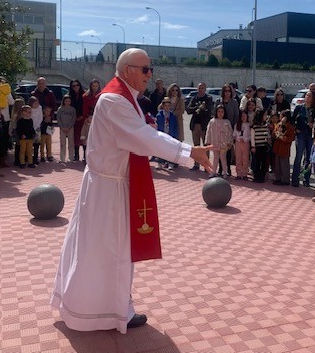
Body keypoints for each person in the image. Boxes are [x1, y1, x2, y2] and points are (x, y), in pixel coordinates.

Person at [50, 48, 213, 332]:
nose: (151, 75)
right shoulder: (115, 99)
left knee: (107, 250)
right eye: (145, 69)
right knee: (109, 251)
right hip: (108, 188)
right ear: (127, 70)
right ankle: (102, 311)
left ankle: (114, 308)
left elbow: (142, 135)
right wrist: (188, 152)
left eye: (151, 69)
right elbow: (143, 138)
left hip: (112, 184)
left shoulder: (127, 98)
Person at [291, 90, 315, 187]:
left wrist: (313, 126)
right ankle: (295, 179)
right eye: (307, 96)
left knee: (308, 158)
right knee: (298, 156)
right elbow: (292, 120)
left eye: (310, 96)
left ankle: (306, 179)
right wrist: (295, 129)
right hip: (300, 133)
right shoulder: (299, 108)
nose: (308, 98)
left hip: (310, 134)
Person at [186, 82, 213, 171]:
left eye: (202, 88)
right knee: (196, 146)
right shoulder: (194, 98)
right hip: (195, 125)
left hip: (204, 126)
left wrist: (199, 110)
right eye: (199, 88)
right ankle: (196, 164)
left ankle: (206, 165)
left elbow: (208, 112)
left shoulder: (208, 98)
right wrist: (198, 108)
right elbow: (189, 110)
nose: (200, 89)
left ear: (205, 89)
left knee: (205, 147)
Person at [205, 104, 233, 178]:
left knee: (223, 158)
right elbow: (208, 131)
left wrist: (230, 142)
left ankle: (225, 172)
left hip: (224, 144)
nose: (220, 113)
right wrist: (207, 141)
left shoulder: (227, 121)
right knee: (215, 158)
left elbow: (230, 133)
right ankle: (214, 171)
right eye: (219, 111)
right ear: (216, 112)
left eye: (222, 112)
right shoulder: (212, 121)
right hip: (215, 142)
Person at [272, 110, 295, 186]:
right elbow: (274, 133)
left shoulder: (290, 127)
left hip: (284, 148)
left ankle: (285, 180)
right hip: (277, 147)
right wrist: (276, 134)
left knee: (284, 165)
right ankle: (278, 178)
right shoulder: (278, 125)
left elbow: (291, 138)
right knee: (277, 164)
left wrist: (284, 138)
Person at [155, 97, 179, 170]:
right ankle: (160, 163)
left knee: (170, 149)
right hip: (162, 134)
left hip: (170, 134)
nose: (167, 107)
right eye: (166, 106)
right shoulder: (159, 115)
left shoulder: (172, 116)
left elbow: (175, 126)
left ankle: (170, 163)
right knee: (161, 149)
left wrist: (175, 135)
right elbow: (157, 125)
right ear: (163, 106)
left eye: (169, 106)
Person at [250, 109, 269, 183]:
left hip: (264, 146)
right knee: (257, 162)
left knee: (264, 162)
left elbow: (267, 135)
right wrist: (253, 146)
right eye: (264, 115)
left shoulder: (266, 125)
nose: (266, 116)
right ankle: (256, 176)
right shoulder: (254, 127)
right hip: (257, 146)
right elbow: (252, 137)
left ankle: (262, 177)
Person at [69, 79, 86, 162]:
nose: (76, 87)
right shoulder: (69, 96)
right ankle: (76, 155)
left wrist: (82, 116)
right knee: (75, 137)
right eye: (73, 86)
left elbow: (86, 106)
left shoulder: (84, 95)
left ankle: (85, 155)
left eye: (77, 85)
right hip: (73, 120)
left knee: (83, 136)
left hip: (83, 119)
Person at [56, 95, 76, 163]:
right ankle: (62, 158)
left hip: (70, 128)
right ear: (63, 101)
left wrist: (69, 127)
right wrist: (62, 127)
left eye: (69, 101)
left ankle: (71, 158)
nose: (67, 102)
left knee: (71, 143)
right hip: (62, 128)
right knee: (62, 143)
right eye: (66, 101)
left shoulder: (73, 109)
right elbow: (58, 119)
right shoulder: (60, 109)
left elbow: (74, 119)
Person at [233, 110, 251, 180]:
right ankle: (239, 173)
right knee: (238, 158)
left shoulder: (249, 125)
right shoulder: (237, 125)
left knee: (245, 159)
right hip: (238, 143)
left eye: (244, 116)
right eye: (242, 116)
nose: (243, 118)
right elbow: (234, 134)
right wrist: (236, 138)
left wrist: (245, 139)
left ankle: (245, 174)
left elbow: (250, 136)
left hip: (245, 143)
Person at [29, 96, 43, 164]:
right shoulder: (29, 109)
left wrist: (36, 126)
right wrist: (32, 127)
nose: (36, 105)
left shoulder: (39, 108)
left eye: (37, 103)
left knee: (36, 144)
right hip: (30, 128)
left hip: (37, 128)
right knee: (29, 144)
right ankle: (29, 158)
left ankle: (35, 158)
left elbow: (40, 118)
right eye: (35, 103)